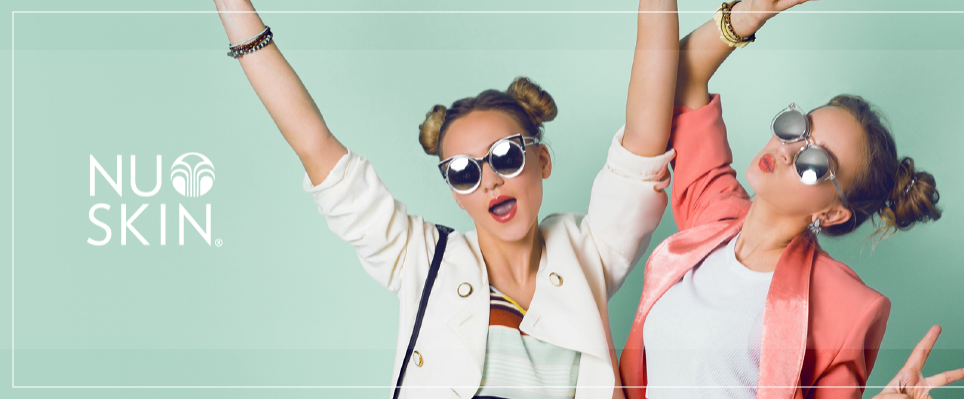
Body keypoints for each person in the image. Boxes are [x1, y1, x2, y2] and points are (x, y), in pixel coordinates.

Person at [212, 0, 681, 397]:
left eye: (505, 156)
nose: (490, 180)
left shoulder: (588, 255)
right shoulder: (422, 260)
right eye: (463, 172)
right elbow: (316, 148)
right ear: (456, 195)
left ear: (542, 162)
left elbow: (643, 139)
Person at [618, 1, 964, 398]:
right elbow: (682, 76)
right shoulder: (713, 213)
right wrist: (746, 17)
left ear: (832, 212)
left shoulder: (842, 306)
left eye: (815, 161)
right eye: (797, 128)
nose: (788, 151)